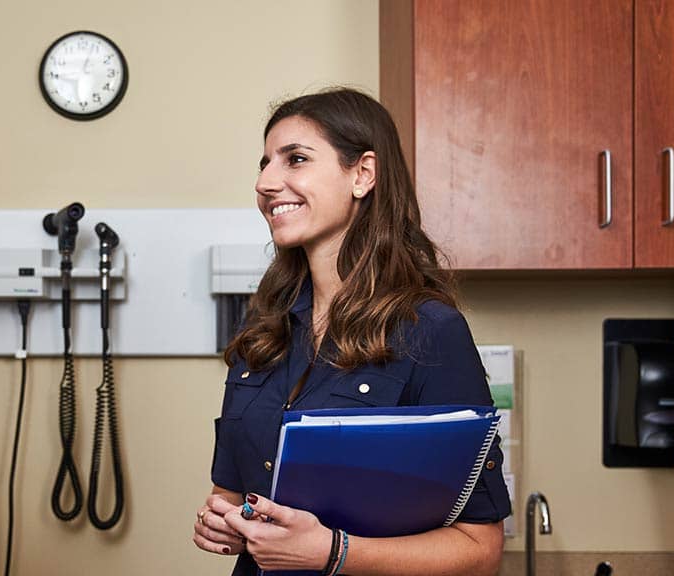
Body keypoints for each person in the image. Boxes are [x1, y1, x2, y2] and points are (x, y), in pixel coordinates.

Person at [191, 88, 510, 575]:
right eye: (264, 163)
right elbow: (233, 495)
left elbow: (479, 549)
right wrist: (227, 523)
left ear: (363, 174)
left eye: (295, 159)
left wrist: (334, 552)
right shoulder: (263, 331)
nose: (266, 182)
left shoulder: (430, 331)